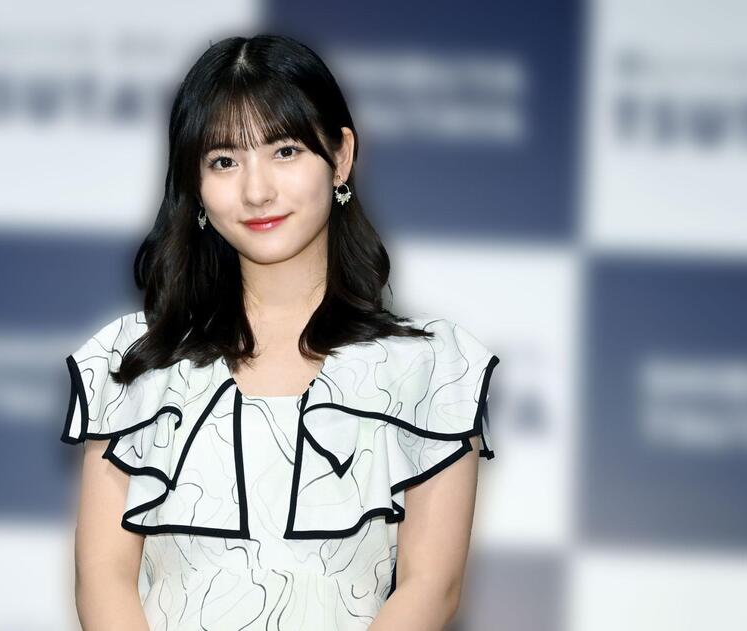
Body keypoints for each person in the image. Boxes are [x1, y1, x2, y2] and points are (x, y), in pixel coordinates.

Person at [60, 33, 500, 631]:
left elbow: (433, 587)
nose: (256, 190)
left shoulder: (429, 371)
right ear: (194, 183)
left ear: (341, 156)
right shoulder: (136, 366)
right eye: (224, 161)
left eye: (285, 151)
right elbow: (102, 579)